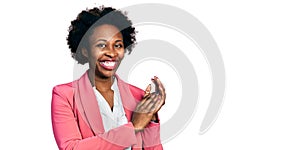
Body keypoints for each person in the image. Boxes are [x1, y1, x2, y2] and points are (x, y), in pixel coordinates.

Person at [51, 6, 166, 150]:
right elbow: (72, 148)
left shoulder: (138, 96)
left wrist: (151, 116)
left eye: (117, 45)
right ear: (85, 50)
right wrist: (134, 127)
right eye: (101, 45)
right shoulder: (65, 95)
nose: (111, 53)